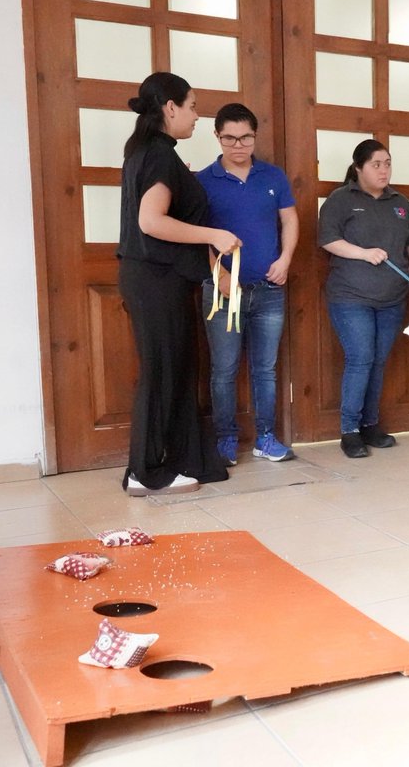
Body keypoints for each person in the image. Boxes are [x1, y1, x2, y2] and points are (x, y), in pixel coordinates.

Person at [116, 72, 240, 497]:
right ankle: (148, 472)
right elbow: (151, 223)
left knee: (176, 368)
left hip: (162, 278)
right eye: (191, 106)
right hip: (154, 279)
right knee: (163, 371)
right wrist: (213, 237)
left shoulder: (152, 152)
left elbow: (178, 221)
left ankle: (178, 460)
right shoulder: (157, 154)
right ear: (170, 106)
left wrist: (215, 270)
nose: (196, 115)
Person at [319, 139, 409, 458]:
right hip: (350, 296)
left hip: (392, 299)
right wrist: (363, 253)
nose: (383, 170)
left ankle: (370, 425)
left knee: (378, 361)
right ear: (359, 168)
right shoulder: (340, 200)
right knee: (361, 358)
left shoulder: (401, 202)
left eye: (387, 163)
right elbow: (328, 240)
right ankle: (350, 430)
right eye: (376, 164)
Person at [197, 103, 298, 465]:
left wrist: (285, 259)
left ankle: (266, 438)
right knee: (223, 369)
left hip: (269, 290)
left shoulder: (273, 177)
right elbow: (197, 237)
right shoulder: (203, 181)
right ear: (217, 137)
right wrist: (218, 274)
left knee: (265, 369)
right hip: (223, 294)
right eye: (230, 138)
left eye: (246, 138)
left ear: (255, 136)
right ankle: (225, 439)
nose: (238, 146)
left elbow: (289, 220)